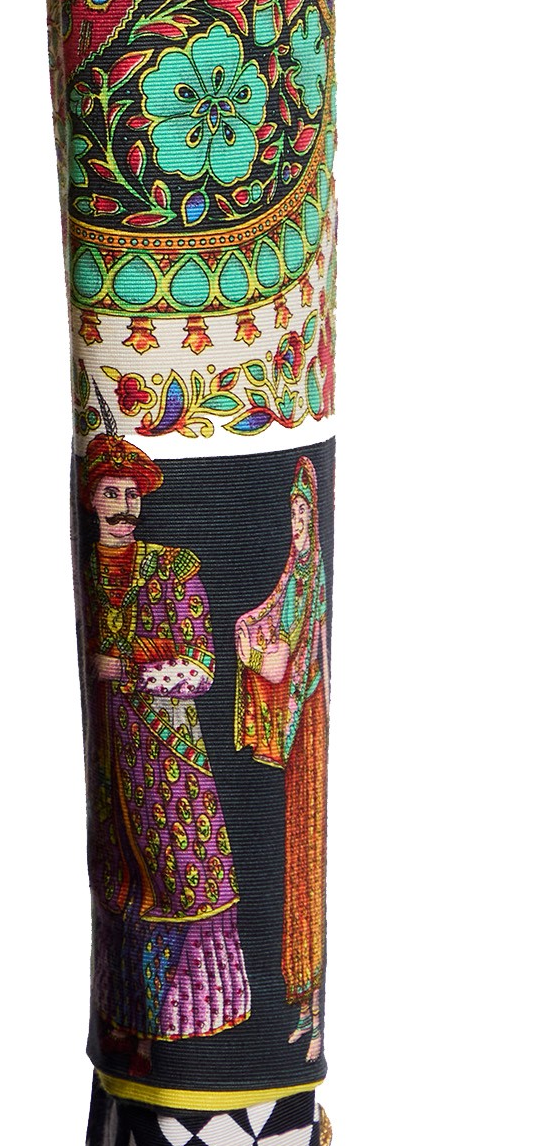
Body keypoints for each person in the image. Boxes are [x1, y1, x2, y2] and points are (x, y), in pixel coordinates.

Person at [80, 434, 251, 1067]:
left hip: (169, 761)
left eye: (132, 495)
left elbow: (202, 668)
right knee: (120, 885)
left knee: (181, 881)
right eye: (112, 493)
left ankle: (186, 1039)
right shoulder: (88, 566)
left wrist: (127, 668)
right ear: (92, 500)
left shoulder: (172, 569)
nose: (125, 507)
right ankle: (132, 1030)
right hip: (111, 757)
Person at [236, 453, 331, 1062]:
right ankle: (301, 1009)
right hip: (297, 740)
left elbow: (287, 661)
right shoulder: (293, 575)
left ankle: (311, 1014)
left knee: (304, 869)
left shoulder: (312, 577)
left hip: (307, 734)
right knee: (293, 870)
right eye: (292, 512)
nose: (296, 522)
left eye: (303, 513)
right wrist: (251, 639)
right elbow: (262, 621)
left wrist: (259, 653)